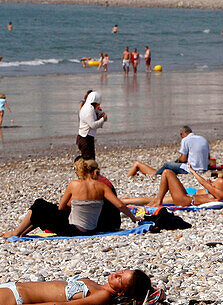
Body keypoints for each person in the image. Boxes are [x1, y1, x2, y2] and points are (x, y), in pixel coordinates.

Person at [2, 159, 139, 239]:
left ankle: (16, 232)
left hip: (74, 229)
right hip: (92, 229)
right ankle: (21, 233)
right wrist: (133, 218)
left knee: (40, 205)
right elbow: (120, 205)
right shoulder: (101, 186)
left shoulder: (74, 184)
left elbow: (61, 208)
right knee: (44, 210)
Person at [0, 270, 152, 305]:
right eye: (122, 271)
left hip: (17, 298)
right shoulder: (94, 284)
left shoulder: (102, 295)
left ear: (123, 291)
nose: (116, 274)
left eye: (120, 279)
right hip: (12, 287)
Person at [127, 163, 223, 208]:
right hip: (187, 198)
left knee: (167, 172)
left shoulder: (222, 195)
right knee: (167, 173)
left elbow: (204, 183)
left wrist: (193, 171)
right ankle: (158, 201)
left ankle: (158, 201)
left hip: (186, 200)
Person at [126, 126, 211, 177]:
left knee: (168, 164)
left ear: (182, 133)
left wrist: (177, 161)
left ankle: (156, 174)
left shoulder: (186, 140)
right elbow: (208, 157)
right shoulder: (203, 139)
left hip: (193, 169)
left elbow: (183, 159)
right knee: (173, 166)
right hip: (204, 168)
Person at [76, 92, 105, 160]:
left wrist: (99, 117)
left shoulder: (88, 108)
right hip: (85, 138)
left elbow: (92, 121)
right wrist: (103, 119)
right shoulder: (89, 110)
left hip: (85, 137)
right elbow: (93, 125)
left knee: (89, 159)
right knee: (89, 161)